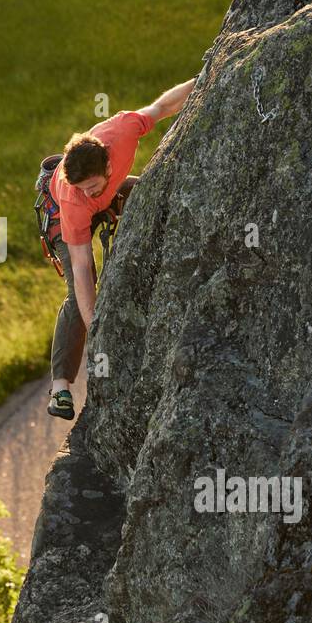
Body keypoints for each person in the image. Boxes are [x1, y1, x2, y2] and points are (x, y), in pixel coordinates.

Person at [45, 78, 196, 419]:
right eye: (81, 188)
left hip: (113, 193)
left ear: (109, 166)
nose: (87, 192)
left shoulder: (123, 131)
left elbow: (162, 107)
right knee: (76, 292)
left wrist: (207, 72)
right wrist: (95, 326)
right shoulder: (74, 198)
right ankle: (60, 389)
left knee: (154, 193)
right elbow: (83, 268)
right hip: (61, 217)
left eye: (92, 186)